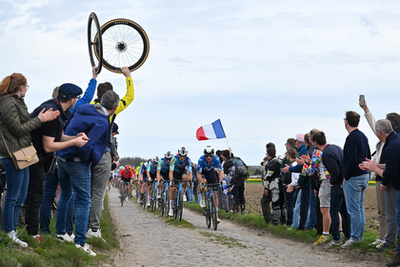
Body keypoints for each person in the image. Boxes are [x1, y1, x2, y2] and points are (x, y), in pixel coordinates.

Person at [56, 90, 120, 256]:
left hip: (62, 155)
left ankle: (61, 232)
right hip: (77, 160)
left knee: (66, 194)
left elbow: (68, 125)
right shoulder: (103, 121)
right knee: (85, 200)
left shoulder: (83, 107)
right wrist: (86, 161)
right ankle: (80, 242)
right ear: (115, 107)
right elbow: (88, 145)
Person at [0, 73, 59, 247]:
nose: (27, 89)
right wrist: (39, 120)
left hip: (23, 152)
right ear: (20, 87)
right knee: (13, 195)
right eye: (26, 86)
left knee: (21, 195)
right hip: (13, 154)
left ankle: (13, 232)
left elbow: (23, 124)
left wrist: (38, 119)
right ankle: (9, 232)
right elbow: (18, 129)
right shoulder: (8, 103)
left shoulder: (16, 101)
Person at [28, 82, 89, 240]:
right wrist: (74, 142)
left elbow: (59, 136)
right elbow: (49, 146)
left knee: (39, 194)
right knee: (35, 195)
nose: (76, 101)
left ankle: (34, 232)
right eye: (76, 98)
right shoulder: (54, 114)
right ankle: (32, 234)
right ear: (71, 100)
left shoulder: (55, 109)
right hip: (32, 155)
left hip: (34, 154)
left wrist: (75, 136)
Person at [87, 66, 134, 240]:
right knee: (98, 193)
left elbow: (84, 99)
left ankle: (79, 226)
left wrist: (93, 77)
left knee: (86, 191)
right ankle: (93, 229)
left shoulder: (89, 105)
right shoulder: (112, 108)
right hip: (103, 151)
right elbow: (130, 97)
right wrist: (128, 76)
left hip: (86, 150)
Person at [359, 97, 400, 251]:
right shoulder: (391, 139)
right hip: (384, 175)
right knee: (385, 211)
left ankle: (388, 240)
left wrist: (378, 172)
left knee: (389, 212)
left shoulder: (392, 142)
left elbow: (392, 167)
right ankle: (385, 238)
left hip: (387, 178)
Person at [309, 131, 350, 247]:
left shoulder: (320, 153)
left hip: (328, 182)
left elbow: (311, 170)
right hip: (342, 182)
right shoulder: (336, 148)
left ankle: (326, 234)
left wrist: (306, 163)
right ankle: (342, 232)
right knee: (337, 210)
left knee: (325, 209)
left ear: (315, 142)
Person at [341, 111, 371, 248]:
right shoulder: (363, 136)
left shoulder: (351, 138)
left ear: (346, 122)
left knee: (353, 210)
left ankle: (355, 237)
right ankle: (359, 236)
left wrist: (345, 176)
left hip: (354, 177)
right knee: (359, 209)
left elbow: (351, 160)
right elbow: (368, 156)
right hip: (364, 175)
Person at [197, 146, 223, 223]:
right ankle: (202, 197)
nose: (208, 157)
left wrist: (220, 180)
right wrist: (201, 181)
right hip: (203, 174)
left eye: (210, 156)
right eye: (207, 156)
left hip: (211, 174)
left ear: (213, 155)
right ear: (204, 155)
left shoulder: (216, 159)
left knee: (215, 195)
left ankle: (216, 216)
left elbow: (220, 172)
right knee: (203, 183)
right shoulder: (201, 159)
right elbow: (198, 173)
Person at [262, 146, 287, 225]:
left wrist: (266, 188)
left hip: (275, 185)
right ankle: (284, 221)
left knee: (276, 204)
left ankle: (276, 222)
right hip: (282, 184)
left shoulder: (272, 163)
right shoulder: (280, 160)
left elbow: (268, 177)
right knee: (282, 204)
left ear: (268, 154)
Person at [222, 149, 248, 214]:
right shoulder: (237, 159)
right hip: (242, 179)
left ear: (224, 157)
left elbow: (226, 176)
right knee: (241, 195)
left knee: (235, 196)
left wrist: (227, 186)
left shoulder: (226, 164)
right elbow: (245, 167)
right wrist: (245, 177)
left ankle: (236, 211)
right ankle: (243, 210)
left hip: (234, 181)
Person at [169, 147, 192, 216]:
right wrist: (171, 181)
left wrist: (190, 181)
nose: (182, 158)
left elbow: (190, 172)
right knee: (173, 189)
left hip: (182, 172)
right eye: (181, 156)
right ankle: (171, 208)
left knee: (186, 178)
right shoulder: (174, 159)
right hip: (175, 173)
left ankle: (183, 193)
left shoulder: (188, 160)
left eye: (184, 156)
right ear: (178, 155)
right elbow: (171, 171)